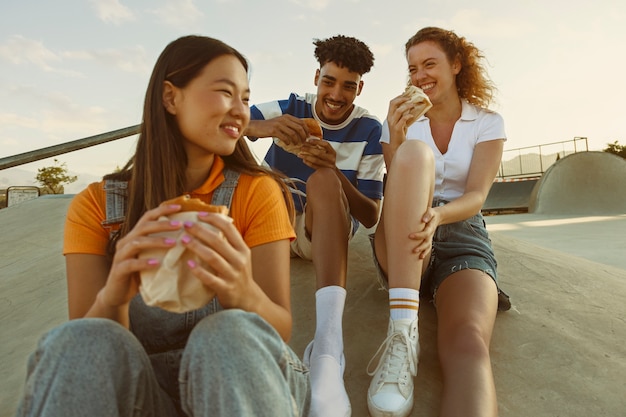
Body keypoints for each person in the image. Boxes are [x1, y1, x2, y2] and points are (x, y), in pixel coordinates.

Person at [15, 35, 310, 417]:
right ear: (171, 97)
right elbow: (98, 357)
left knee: (228, 333)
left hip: (241, 384)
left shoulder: (257, 192)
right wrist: (113, 297)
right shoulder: (96, 206)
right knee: (86, 338)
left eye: (246, 98)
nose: (241, 111)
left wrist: (243, 292)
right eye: (225, 92)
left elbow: (278, 331)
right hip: (143, 393)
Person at [367, 27, 510, 417]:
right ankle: (402, 332)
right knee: (414, 153)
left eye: (430, 64)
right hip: (405, 231)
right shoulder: (400, 120)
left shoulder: (486, 122)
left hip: (462, 231)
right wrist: (396, 140)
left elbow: (477, 196)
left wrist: (439, 216)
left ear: (457, 64)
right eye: (413, 68)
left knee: (469, 343)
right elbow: (399, 188)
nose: (420, 76)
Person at [245, 35, 385, 417]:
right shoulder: (293, 106)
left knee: (323, 180)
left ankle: (327, 349)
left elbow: (371, 214)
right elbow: (230, 121)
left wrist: (333, 169)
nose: (337, 94)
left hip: (319, 234)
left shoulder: (371, 129)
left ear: (360, 88)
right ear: (316, 77)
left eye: (348, 85)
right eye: (329, 81)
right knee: (242, 164)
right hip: (270, 223)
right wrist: (269, 126)